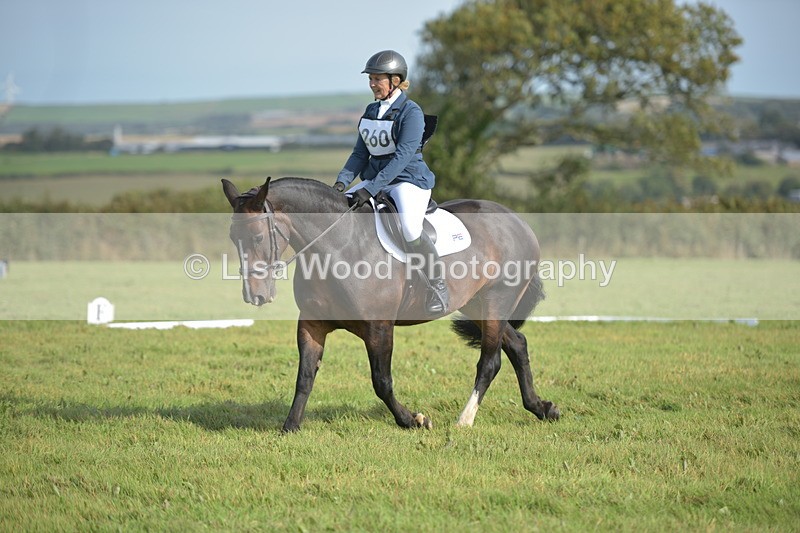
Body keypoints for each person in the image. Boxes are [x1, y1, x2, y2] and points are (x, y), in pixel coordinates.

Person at [333, 49, 448, 315]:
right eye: (370, 79)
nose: (372, 84)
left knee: (409, 229)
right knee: (341, 212)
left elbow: (402, 157)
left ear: (395, 80)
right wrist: (342, 183)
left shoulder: (411, 112)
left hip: (409, 181)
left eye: (377, 79)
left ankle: (437, 284)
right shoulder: (372, 110)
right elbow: (360, 153)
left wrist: (370, 188)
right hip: (377, 180)